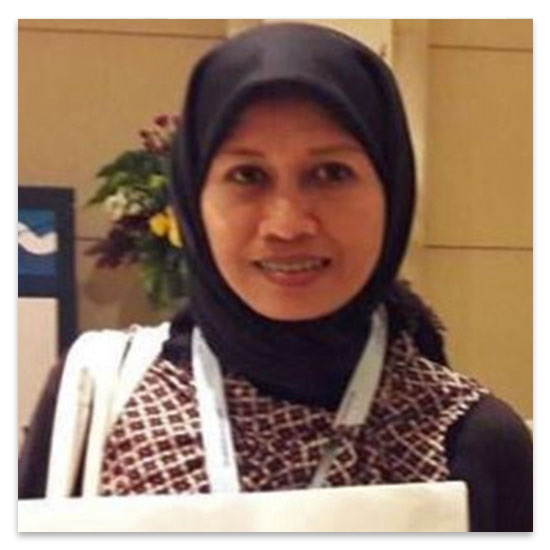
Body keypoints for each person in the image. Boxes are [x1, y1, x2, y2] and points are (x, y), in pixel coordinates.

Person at [19, 22, 532, 532]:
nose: (287, 224)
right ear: (195, 198)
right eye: (248, 175)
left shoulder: (470, 443)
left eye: (330, 173)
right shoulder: (97, 402)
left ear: (391, 192)